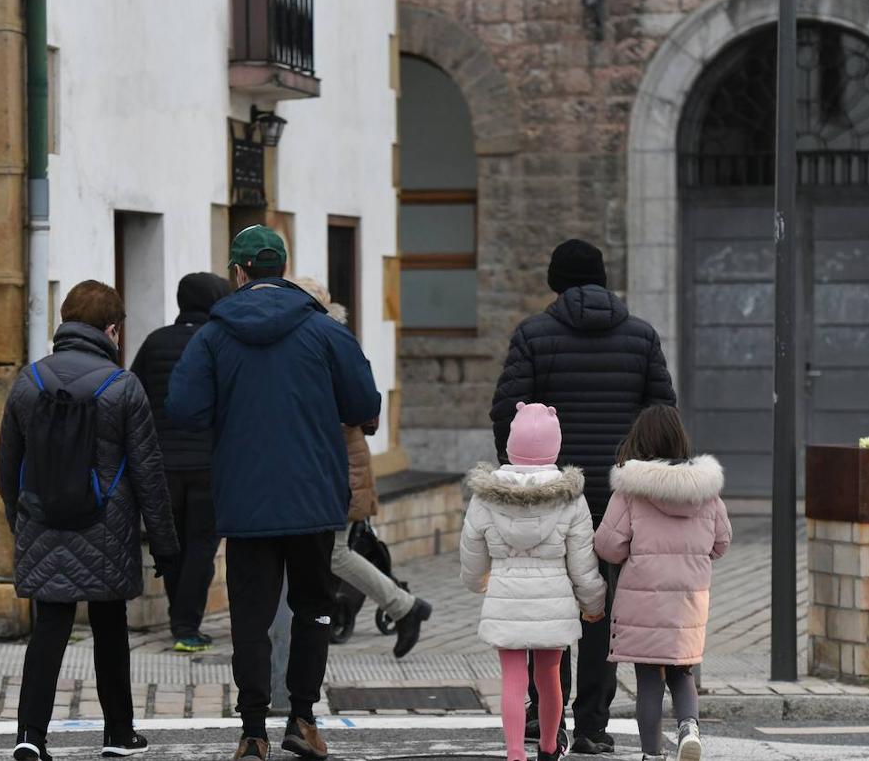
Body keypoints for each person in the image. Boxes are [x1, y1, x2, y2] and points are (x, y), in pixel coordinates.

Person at [165, 227, 382, 761]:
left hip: (244, 500)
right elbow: (364, 403)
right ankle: (303, 720)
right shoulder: (325, 332)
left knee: (250, 618)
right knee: (314, 609)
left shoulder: (213, 336)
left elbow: (183, 409)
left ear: (239, 273)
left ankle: (253, 731)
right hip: (313, 497)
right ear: (282, 268)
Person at [490, 239, 676, 755]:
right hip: (620, 495)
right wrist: (639, 473)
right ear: (602, 279)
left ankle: (542, 717)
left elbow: (506, 409)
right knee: (603, 611)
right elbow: (663, 413)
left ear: (556, 281)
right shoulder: (641, 337)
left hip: (552, 492)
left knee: (547, 605)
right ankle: (593, 725)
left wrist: (521, 478)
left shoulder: (533, 335)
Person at [0, 280, 180, 761]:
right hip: (106, 527)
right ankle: (119, 734)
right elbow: (147, 472)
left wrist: (23, 520)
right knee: (110, 626)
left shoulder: (28, 381)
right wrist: (164, 545)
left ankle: (30, 735)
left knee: (50, 627)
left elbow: (6, 464)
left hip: (42, 520)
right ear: (113, 329)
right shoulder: (123, 387)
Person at [288, 276, 433, 658]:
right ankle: (400, 608)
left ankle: (404, 606)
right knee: (325, 552)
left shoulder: (328, 343)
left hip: (340, 463)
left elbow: (367, 410)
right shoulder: (328, 339)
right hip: (334, 462)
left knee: (334, 552)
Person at [460, 402, 607, 761]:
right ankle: (548, 746)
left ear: (511, 445)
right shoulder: (571, 496)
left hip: (506, 596)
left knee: (513, 678)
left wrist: (479, 582)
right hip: (553, 598)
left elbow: (471, 551)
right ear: (554, 447)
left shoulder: (486, 495)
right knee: (549, 675)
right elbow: (583, 562)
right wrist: (593, 604)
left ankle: (514, 753)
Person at [594, 405, 731, 761]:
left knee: (649, 682)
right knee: (682, 673)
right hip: (689, 601)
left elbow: (607, 547)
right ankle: (689, 727)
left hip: (643, 603)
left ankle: (652, 754)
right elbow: (722, 542)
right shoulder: (706, 491)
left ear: (640, 441)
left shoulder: (630, 490)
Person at [130, 272, 232, 653]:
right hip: (209, 465)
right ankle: (186, 625)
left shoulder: (155, 342)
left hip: (161, 467)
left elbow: (134, 397)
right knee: (202, 546)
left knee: (170, 545)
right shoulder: (219, 342)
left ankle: (180, 618)